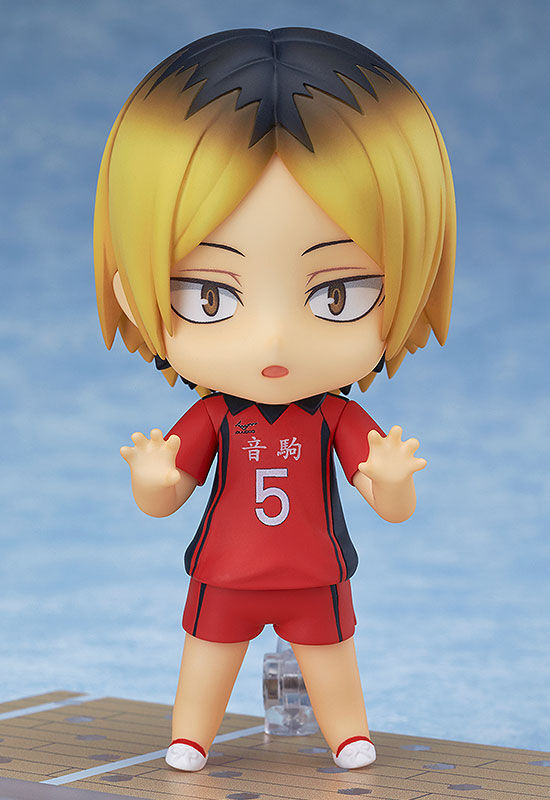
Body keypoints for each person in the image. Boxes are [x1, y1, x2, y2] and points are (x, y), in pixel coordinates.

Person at [93, 27, 456, 772]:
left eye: (336, 294)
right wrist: (152, 481)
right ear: (134, 291)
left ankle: (348, 733)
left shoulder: (336, 418)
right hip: (223, 570)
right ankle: (190, 735)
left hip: (315, 571)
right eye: (209, 295)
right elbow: (167, 497)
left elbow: (390, 505)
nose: (274, 340)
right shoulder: (213, 417)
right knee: (207, 651)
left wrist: (393, 483)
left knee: (332, 655)